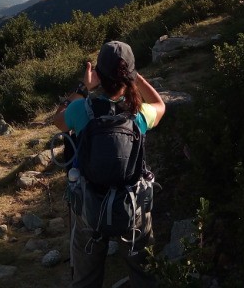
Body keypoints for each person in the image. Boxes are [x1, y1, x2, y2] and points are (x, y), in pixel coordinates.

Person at [53, 40, 166, 288]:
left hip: (89, 205)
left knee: (86, 279)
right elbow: (161, 105)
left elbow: (58, 120)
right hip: (132, 205)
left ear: (99, 76)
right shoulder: (140, 113)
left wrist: (83, 87)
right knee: (145, 276)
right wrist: (136, 78)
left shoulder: (81, 109)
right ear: (129, 75)